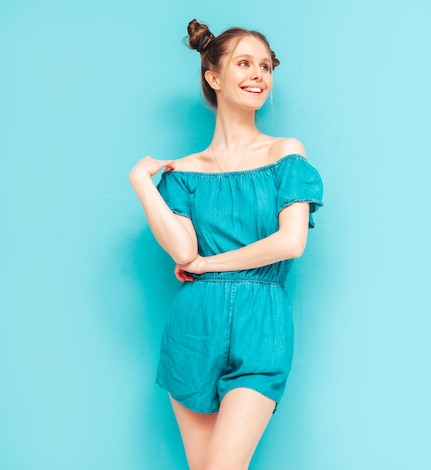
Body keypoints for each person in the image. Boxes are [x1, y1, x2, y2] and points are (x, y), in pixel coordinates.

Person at [129, 18, 323, 470]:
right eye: (244, 63)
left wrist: (209, 265)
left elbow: (290, 242)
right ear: (213, 77)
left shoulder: (285, 153)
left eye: (265, 66)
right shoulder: (186, 172)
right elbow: (182, 252)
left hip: (262, 324)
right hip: (194, 328)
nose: (259, 74)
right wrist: (142, 183)